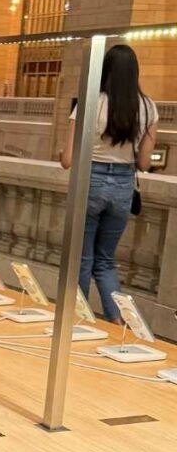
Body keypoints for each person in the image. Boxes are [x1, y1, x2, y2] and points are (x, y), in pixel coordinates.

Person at [61, 44, 157, 323]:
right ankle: (118, 320)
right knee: (105, 259)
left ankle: (77, 320)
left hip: (90, 182)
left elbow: (68, 159)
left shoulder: (91, 103)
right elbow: (144, 163)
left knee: (81, 257)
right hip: (123, 186)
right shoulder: (148, 108)